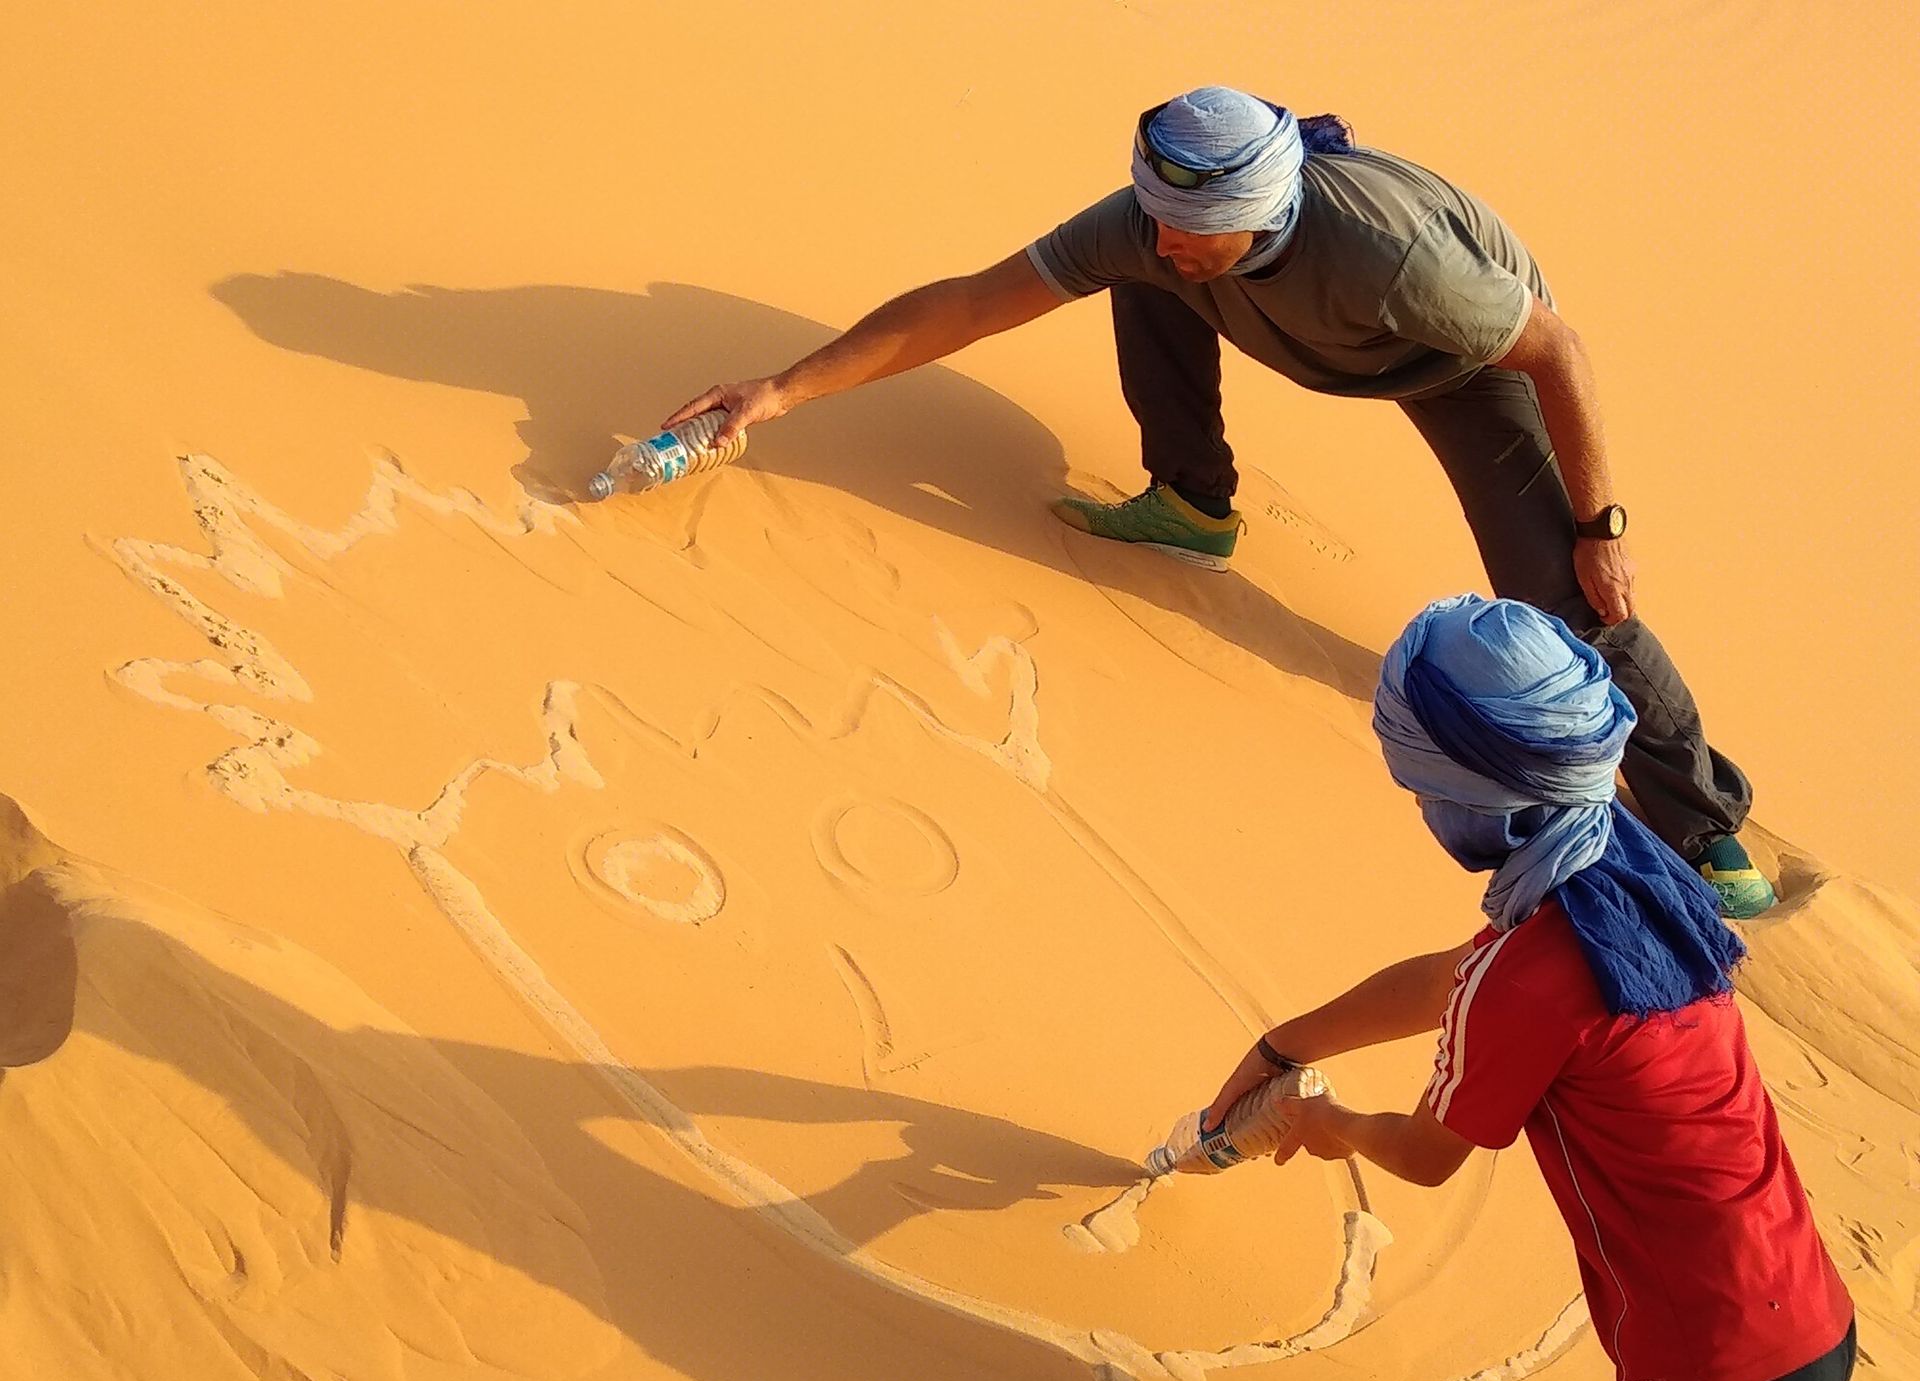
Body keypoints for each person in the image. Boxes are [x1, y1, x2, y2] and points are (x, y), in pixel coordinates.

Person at [661, 85, 1772, 917]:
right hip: (1297, 318)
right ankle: (1193, 507)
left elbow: (1557, 350)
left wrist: (1599, 527)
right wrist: (782, 388)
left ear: (1265, 204)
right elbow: (973, 302)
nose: (1171, 240)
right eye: (1160, 218)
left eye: (1198, 229)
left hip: (1459, 361)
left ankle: (1704, 824)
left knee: (1558, 597)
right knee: (1140, 279)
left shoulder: (1394, 261)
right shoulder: (1162, 232)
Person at [1194, 592, 1918, 1381]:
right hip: (1793, 1326)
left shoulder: (1537, 966)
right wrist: (1286, 1039)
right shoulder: (1619, 864)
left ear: (1473, 794)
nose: (1424, 810)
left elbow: (1428, 1150)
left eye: (1423, 785)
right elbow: (1455, 981)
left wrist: (1327, 1124)